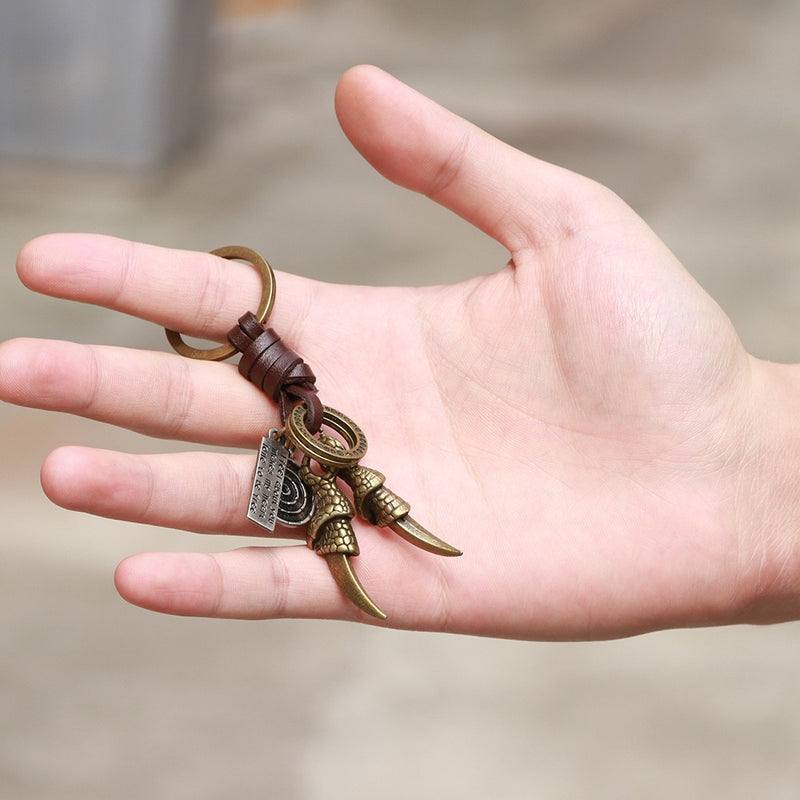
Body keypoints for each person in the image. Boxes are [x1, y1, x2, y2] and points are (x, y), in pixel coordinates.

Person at [1, 66, 797, 640]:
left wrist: (747, 456)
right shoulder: (307, 418)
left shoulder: (312, 421)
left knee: (359, 502)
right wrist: (746, 464)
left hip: (312, 419)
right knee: (350, 508)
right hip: (309, 416)